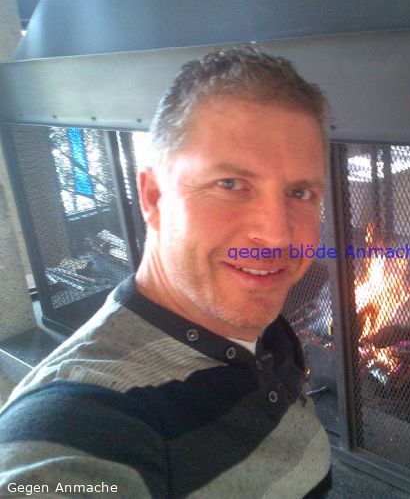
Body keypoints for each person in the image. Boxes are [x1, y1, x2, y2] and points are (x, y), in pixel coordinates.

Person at [0, 47, 332, 498]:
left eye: (300, 192)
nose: (277, 236)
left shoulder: (266, 335)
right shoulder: (82, 423)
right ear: (153, 197)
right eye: (230, 184)